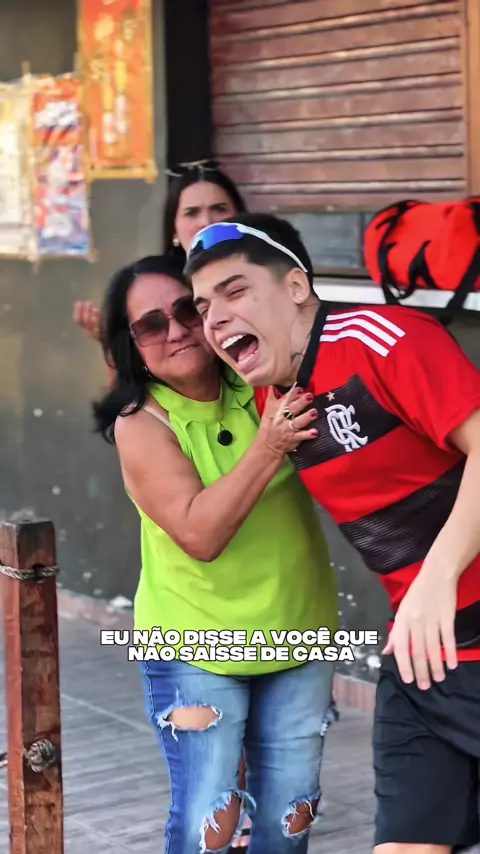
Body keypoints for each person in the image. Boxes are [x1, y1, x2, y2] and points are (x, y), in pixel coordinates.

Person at [185, 213, 480, 854]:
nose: (215, 318)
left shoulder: (384, 340)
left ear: (296, 287)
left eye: (236, 291)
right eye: (204, 306)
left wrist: (438, 576)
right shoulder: (274, 399)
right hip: (422, 655)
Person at [74, 162, 338, 849]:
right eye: (150, 325)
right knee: (209, 824)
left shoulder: (259, 376)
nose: (179, 330)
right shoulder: (141, 424)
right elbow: (198, 533)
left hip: (298, 630)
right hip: (196, 644)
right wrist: (269, 446)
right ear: (130, 347)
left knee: (291, 814)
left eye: (188, 311)